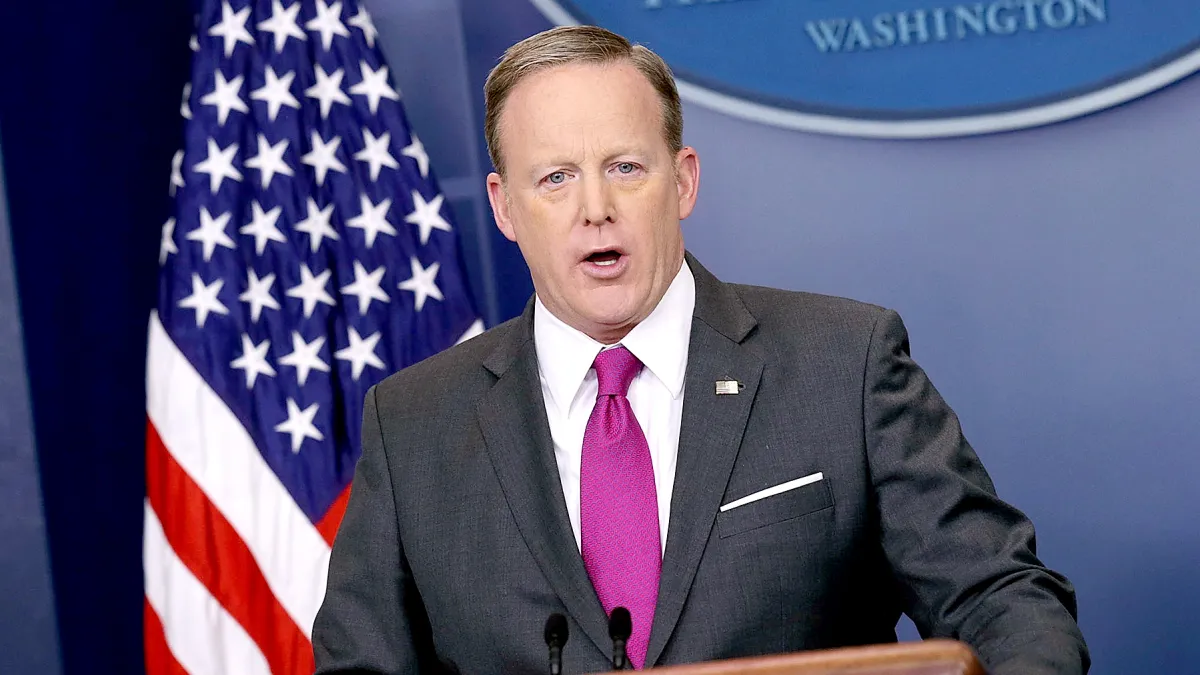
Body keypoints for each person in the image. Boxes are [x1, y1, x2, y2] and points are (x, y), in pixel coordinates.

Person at [312, 25, 1089, 675]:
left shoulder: (843, 365)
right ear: (505, 207)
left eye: (625, 167)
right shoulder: (412, 424)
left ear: (682, 181)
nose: (595, 209)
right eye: (555, 178)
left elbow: (1006, 602)